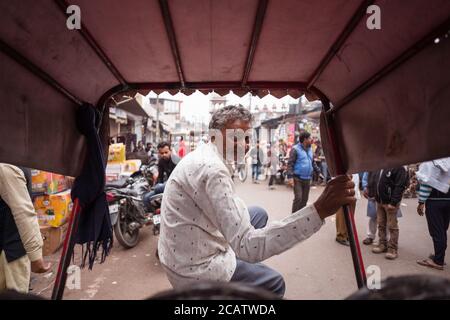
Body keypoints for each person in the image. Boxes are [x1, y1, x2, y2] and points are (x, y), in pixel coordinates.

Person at [158, 105, 356, 297]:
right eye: (235, 138)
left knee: (258, 213)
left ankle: (240, 270)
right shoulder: (213, 169)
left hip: (179, 251)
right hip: (193, 270)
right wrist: (319, 210)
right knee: (275, 283)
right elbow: (248, 247)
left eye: (246, 138)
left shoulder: (208, 154)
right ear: (213, 137)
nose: (243, 145)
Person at [0, 164, 50, 293]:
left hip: (12, 250)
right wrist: (35, 255)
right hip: (10, 251)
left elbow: (23, 212)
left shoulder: (9, 162)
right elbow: (23, 212)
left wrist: (34, 254)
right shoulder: (9, 162)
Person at [416, 157, 450, 270]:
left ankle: (438, 261)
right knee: (442, 230)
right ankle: (439, 256)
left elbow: (426, 183)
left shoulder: (430, 162)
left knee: (437, 232)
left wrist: (421, 202)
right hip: (448, 201)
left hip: (435, 201)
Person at [371, 167, 409, 260]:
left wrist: (394, 202)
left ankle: (392, 248)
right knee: (381, 224)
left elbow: (400, 186)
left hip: (390, 203)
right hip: (379, 201)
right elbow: (375, 181)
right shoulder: (380, 165)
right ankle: (382, 244)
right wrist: (374, 194)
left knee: (392, 226)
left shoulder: (399, 167)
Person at [287, 131, 321, 213]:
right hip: (297, 178)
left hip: (307, 179)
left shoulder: (310, 149)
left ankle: (300, 216)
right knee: (298, 198)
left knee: (304, 200)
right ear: (305, 139)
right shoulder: (295, 149)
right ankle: (293, 218)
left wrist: (318, 171)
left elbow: (312, 162)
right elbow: (290, 164)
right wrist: (290, 177)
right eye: (310, 138)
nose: (311, 139)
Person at [143, 142, 180, 209]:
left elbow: (179, 178)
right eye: (162, 153)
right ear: (159, 153)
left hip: (176, 185)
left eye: (166, 152)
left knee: (158, 188)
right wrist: (155, 186)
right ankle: (153, 214)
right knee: (146, 198)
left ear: (170, 151)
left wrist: (158, 187)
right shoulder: (161, 161)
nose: (164, 155)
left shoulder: (175, 160)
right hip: (167, 185)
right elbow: (160, 177)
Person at [335, 174, 361, 246]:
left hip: (353, 190)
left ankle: (347, 234)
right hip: (344, 190)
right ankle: (341, 236)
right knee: (342, 214)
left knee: (350, 215)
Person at [361, 171, 379, 245]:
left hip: (385, 195)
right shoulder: (371, 164)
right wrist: (365, 188)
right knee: (373, 216)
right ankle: (370, 236)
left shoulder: (388, 163)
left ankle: (385, 240)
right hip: (372, 194)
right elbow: (365, 178)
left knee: (386, 219)